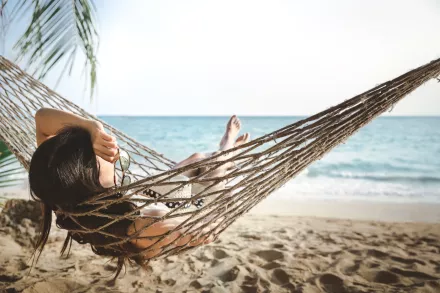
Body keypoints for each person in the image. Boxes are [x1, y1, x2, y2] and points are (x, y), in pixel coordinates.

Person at [29, 108, 250, 276]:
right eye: (114, 162)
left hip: (144, 194)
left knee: (198, 159)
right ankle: (227, 148)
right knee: (214, 170)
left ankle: (220, 157)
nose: (115, 156)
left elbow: (41, 118)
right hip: (194, 205)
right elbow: (207, 227)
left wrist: (91, 127)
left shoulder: (57, 186)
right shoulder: (143, 225)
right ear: (93, 182)